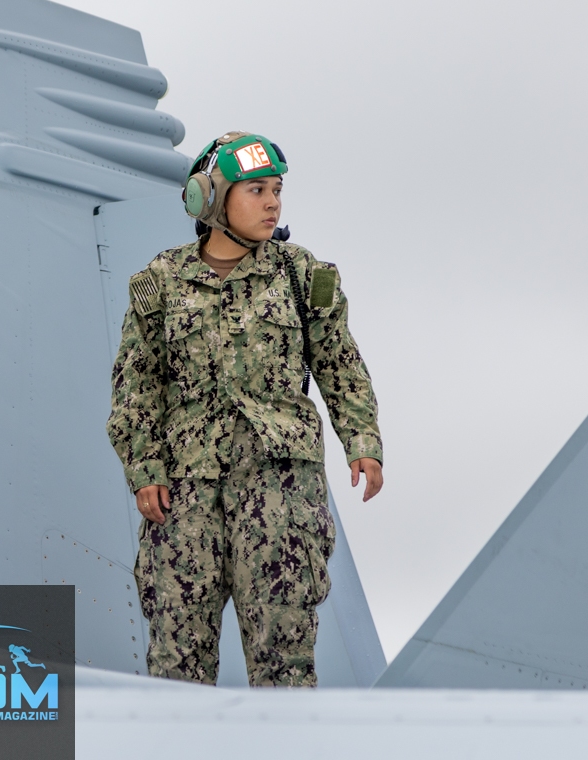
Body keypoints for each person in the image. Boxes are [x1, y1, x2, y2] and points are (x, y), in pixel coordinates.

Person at [107, 131, 383, 687]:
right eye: (256, 190)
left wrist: (363, 443)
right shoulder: (160, 282)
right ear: (209, 198)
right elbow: (136, 384)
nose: (272, 203)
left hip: (280, 493)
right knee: (177, 665)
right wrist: (145, 468)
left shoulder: (303, 276)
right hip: (184, 493)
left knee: (284, 662)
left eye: (276, 190)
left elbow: (339, 363)